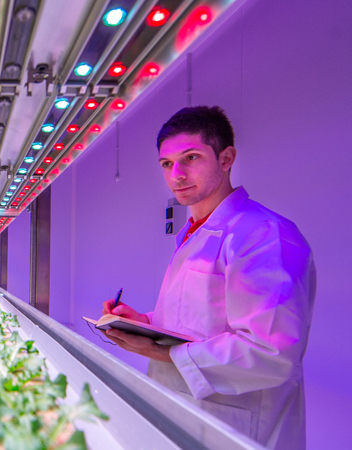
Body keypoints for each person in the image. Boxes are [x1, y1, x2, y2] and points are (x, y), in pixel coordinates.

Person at [100, 106, 316, 450]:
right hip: (185, 412)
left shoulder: (263, 234)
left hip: (240, 428)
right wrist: (144, 322)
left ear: (226, 157)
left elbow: (271, 353)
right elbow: (200, 321)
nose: (177, 175)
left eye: (191, 157)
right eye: (167, 164)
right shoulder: (194, 234)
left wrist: (161, 353)